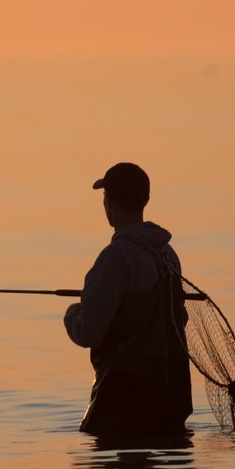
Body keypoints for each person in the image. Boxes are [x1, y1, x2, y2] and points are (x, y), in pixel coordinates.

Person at [64, 163, 193, 442]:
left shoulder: (116, 258)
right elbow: (178, 319)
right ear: (144, 200)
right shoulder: (167, 254)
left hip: (123, 406)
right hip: (169, 400)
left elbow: (89, 332)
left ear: (109, 202)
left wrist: (72, 313)